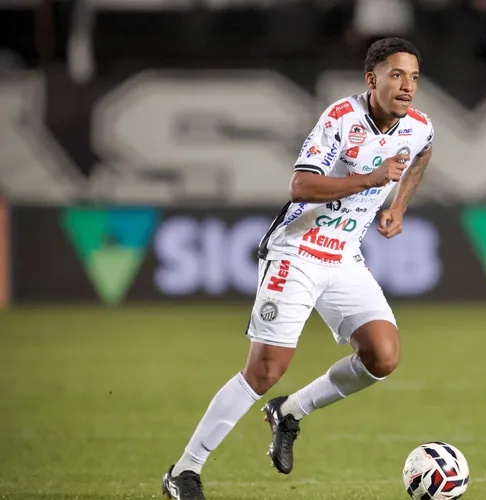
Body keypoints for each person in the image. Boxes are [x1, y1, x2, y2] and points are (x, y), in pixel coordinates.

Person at [161, 37, 435, 500]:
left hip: (344, 257)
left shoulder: (419, 127)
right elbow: (300, 185)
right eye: (396, 75)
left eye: (413, 77)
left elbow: (423, 152)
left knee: (383, 356)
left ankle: (289, 412)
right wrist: (369, 180)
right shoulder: (341, 119)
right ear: (372, 80)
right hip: (297, 252)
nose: (407, 86)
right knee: (266, 369)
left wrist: (399, 206)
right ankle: (184, 472)